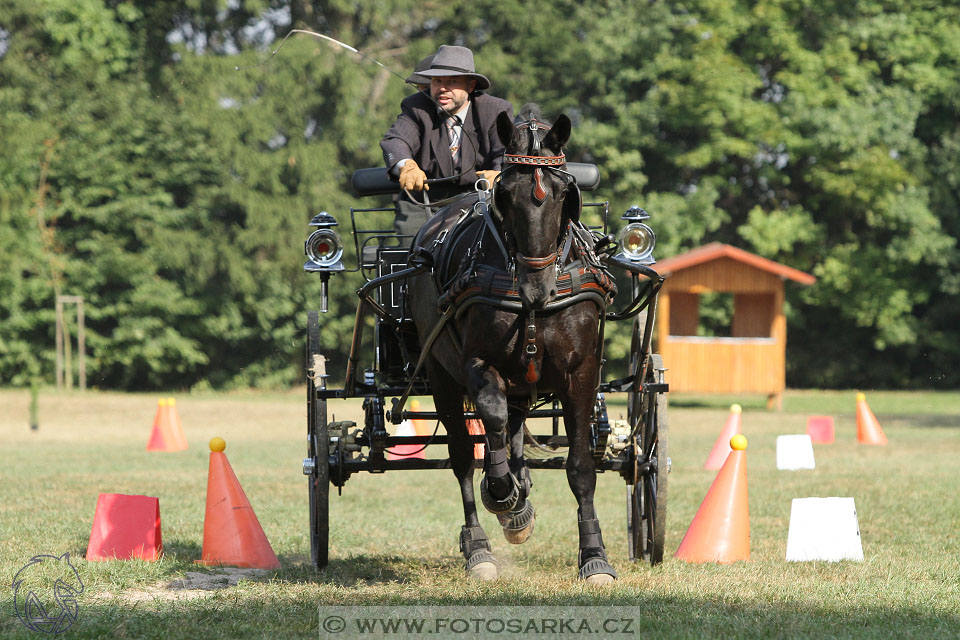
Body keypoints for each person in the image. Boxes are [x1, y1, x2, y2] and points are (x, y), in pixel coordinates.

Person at [381, 45, 514, 239]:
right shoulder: (416, 107)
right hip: (424, 202)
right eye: (437, 81)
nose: (443, 88)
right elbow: (396, 140)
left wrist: (500, 174)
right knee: (410, 248)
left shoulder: (494, 110)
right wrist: (406, 165)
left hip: (480, 199)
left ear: (471, 86)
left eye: (452, 81)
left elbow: (505, 150)